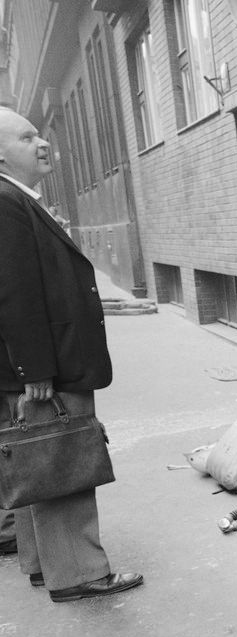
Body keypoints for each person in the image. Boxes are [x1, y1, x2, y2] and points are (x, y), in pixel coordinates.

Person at [0, 108, 143, 602]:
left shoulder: (17, 198)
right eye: (25, 136)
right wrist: (35, 369)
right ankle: (79, 572)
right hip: (49, 362)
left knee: (32, 457)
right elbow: (14, 293)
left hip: (38, 360)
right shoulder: (6, 200)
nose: (42, 143)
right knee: (62, 459)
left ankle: (43, 563)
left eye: (40, 134)